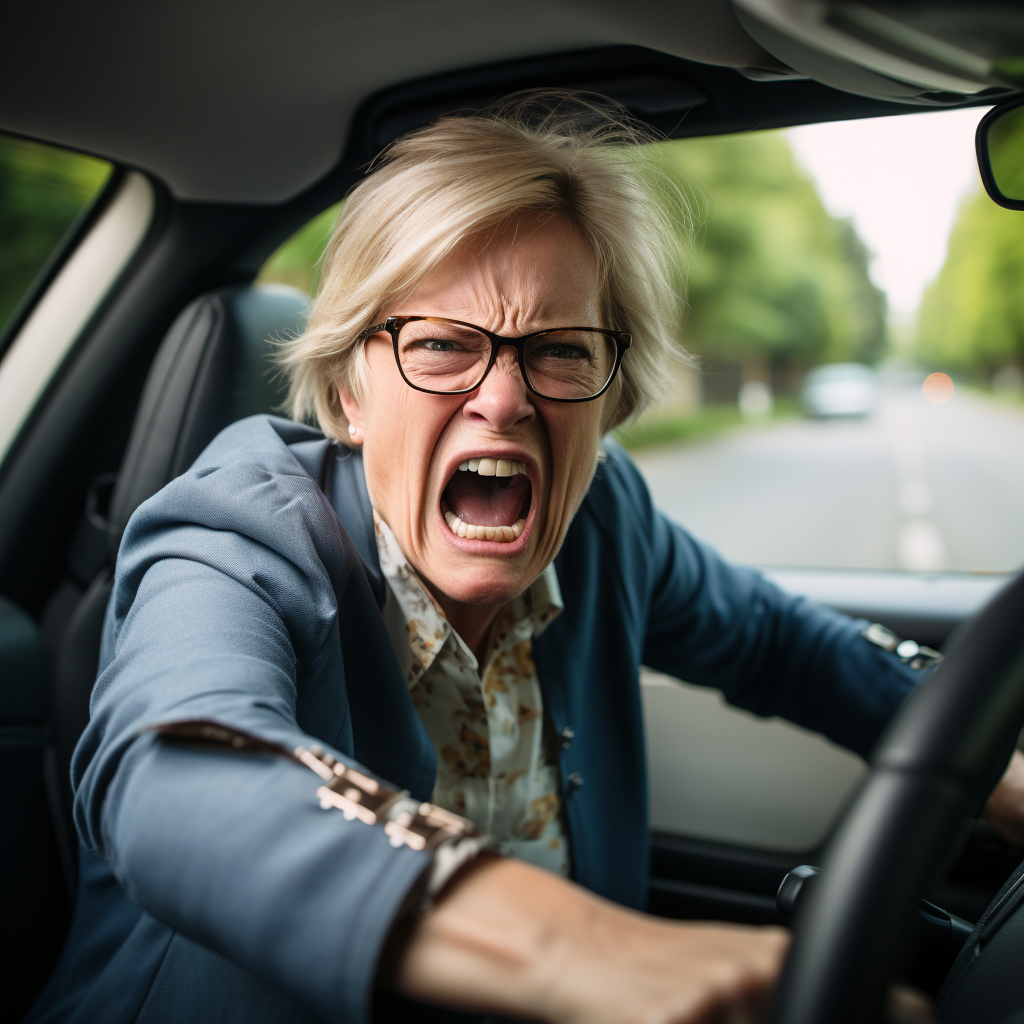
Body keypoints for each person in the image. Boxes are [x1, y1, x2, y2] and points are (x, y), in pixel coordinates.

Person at [28, 93, 1024, 1024]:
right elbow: (178, 766)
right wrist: (589, 950)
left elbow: (776, 641)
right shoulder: (238, 536)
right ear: (348, 397)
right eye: (442, 343)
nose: (503, 400)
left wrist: (986, 764)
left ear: (606, 402)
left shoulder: (602, 520)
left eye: (560, 349)